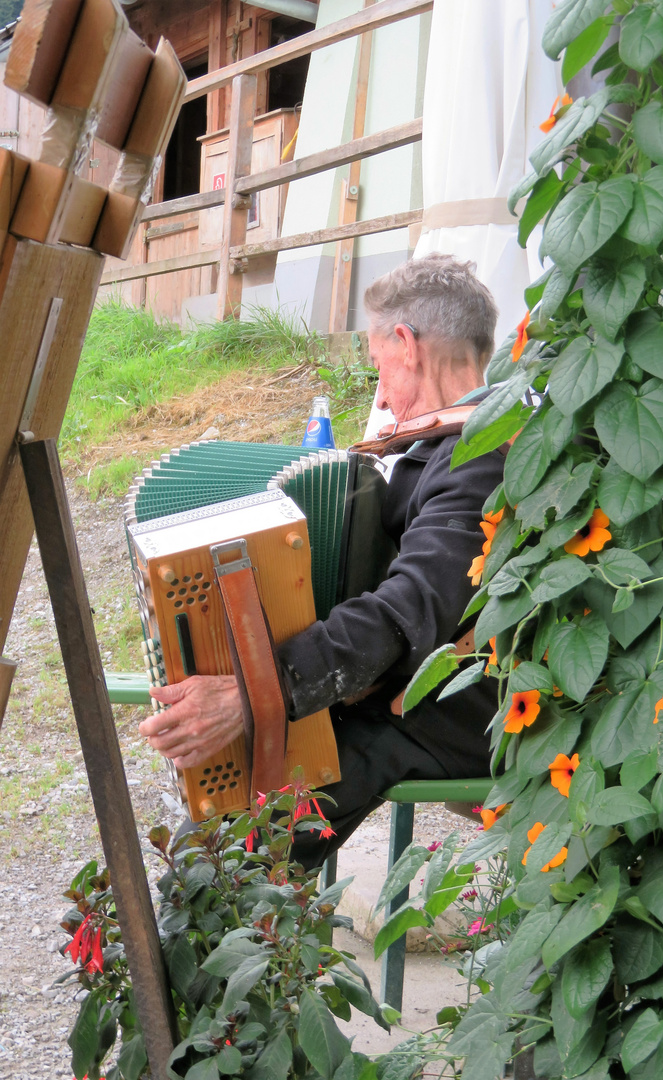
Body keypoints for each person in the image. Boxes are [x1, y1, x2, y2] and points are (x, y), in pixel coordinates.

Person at [139, 254, 506, 869]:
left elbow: (406, 613)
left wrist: (256, 694)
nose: (383, 399)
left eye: (379, 368)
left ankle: (225, 932)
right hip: (412, 697)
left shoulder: (479, 455)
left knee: (243, 835)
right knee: (231, 813)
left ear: (407, 346)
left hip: (452, 714)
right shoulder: (454, 444)